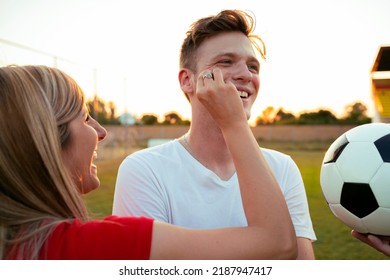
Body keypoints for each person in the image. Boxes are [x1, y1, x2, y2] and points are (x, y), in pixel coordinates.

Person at [0, 64, 297, 259]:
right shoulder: (94, 246)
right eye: (85, 117)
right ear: (46, 139)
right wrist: (234, 123)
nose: (101, 131)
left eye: (252, 65)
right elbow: (277, 243)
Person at [112, 9, 316, 259]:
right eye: (226, 62)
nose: (246, 75)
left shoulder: (283, 168)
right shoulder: (143, 169)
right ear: (188, 80)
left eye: (253, 66)